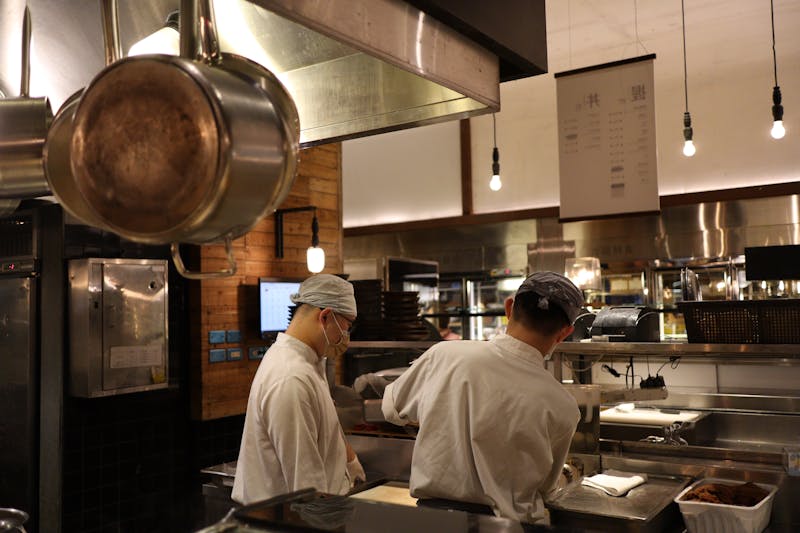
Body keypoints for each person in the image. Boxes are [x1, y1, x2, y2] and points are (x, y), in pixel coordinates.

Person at [381, 271, 583, 523]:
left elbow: (392, 409)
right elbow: (546, 487)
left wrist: (443, 412)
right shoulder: (563, 405)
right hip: (510, 526)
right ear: (565, 332)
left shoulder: (444, 355)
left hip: (434, 521)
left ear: (509, 308)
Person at [233, 274, 366, 504]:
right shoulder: (290, 378)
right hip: (285, 520)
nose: (346, 338)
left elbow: (324, 426)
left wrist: (350, 459)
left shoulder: (311, 363)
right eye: (346, 328)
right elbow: (306, 488)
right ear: (325, 317)